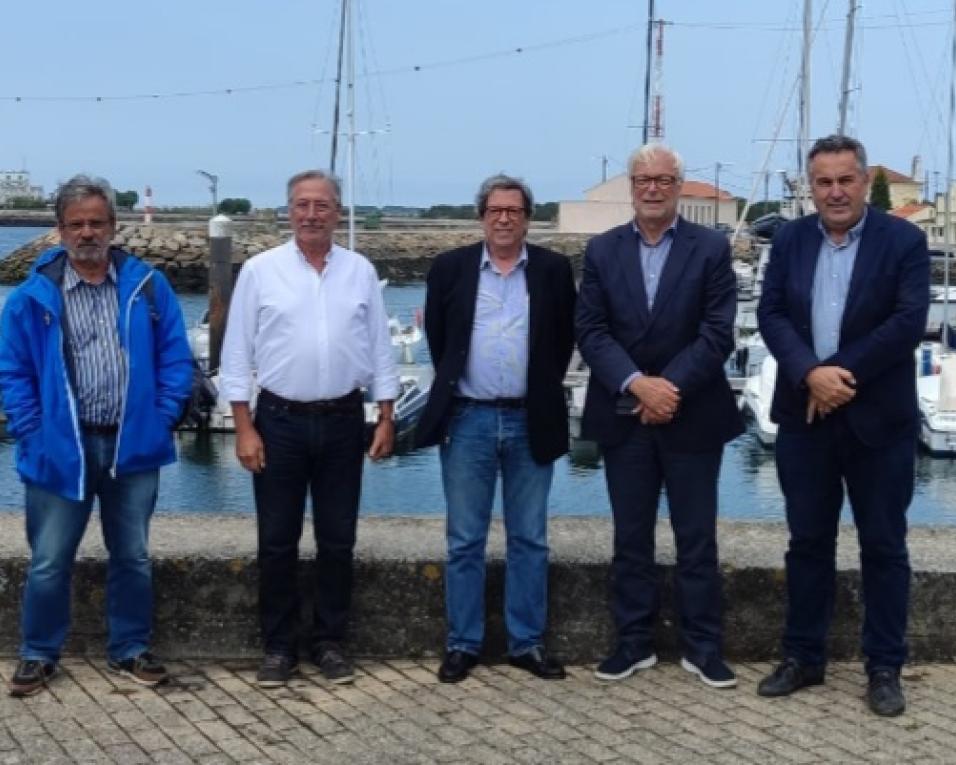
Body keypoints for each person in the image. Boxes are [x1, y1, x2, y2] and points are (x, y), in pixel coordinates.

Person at [0, 175, 193, 697]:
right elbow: (12, 372)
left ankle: (130, 647)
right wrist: (33, 432)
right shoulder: (31, 297)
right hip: (60, 450)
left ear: (113, 226)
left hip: (132, 447)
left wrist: (162, 415)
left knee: (132, 555)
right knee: (48, 560)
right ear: (59, 230)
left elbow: (176, 357)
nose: (87, 232)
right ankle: (38, 654)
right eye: (76, 223)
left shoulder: (148, 287)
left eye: (97, 222)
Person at [756, 135, 930, 717]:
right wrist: (809, 373)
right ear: (811, 187)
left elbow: (907, 323)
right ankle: (803, 657)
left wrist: (835, 376)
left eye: (845, 180)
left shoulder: (903, 240)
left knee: (884, 546)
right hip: (805, 418)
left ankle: (885, 666)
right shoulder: (789, 239)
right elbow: (771, 312)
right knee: (807, 543)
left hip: (879, 421)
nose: (835, 191)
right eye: (823, 182)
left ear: (863, 182)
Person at [219, 170, 398, 688]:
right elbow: (236, 355)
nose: (312, 213)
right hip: (279, 422)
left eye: (322, 205)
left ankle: (329, 642)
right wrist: (243, 427)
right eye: (303, 204)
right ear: (289, 211)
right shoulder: (259, 271)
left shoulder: (360, 271)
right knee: (276, 541)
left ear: (338, 212)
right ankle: (278, 647)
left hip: (345, 420)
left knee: (338, 540)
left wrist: (385, 416)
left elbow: (381, 350)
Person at [576, 144, 743, 689]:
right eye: (643, 179)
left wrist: (668, 388)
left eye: (664, 179)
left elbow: (718, 332)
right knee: (631, 537)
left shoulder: (711, 248)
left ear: (678, 185)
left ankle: (703, 648)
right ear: (630, 185)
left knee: (697, 538)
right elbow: (592, 332)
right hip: (623, 413)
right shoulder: (602, 251)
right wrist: (637, 384)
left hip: (693, 412)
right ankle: (632, 644)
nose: (653, 188)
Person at [416, 174, 576, 683]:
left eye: (514, 210)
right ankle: (463, 644)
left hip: (533, 417)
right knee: (464, 539)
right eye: (494, 210)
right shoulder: (450, 268)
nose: (504, 218)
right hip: (469, 419)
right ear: (481, 216)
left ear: (528, 217)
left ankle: (525, 644)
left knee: (530, 537)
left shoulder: (552, 269)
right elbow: (441, 343)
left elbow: (563, 339)